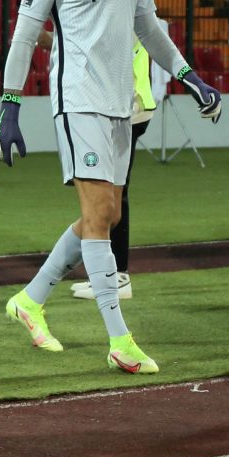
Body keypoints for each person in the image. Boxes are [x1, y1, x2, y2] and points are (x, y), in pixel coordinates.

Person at [0, 0, 222, 373]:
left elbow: (150, 30)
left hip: (122, 104)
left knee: (108, 215)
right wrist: (10, 106)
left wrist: (189, 76)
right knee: (99, 217)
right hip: (79, 101)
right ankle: (120, 340)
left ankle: (30, 299)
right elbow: (24, 37)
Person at [71, 38, 155, 301]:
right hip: (127, 108)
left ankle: (117, 276)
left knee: (113, 193)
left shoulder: (124, 18)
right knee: (109, 191)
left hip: (127, 110)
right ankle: (107, 274)